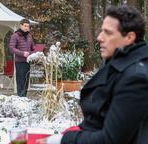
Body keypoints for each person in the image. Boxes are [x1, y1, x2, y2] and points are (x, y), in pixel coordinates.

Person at [38, 5, 148, 144]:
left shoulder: (136, 77)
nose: (99, 37)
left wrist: (62, 140)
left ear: (129, 37)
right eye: (101, 31)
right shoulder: (120, 63)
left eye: (108, 33)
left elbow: (110, 140)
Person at [10, 18, 35, 97]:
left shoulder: (29, 36)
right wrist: (22, 53)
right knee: (20, 80)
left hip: (27, 61)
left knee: (26, 80)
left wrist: (37, 50)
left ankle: (24, 96)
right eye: (25, 26)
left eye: (28, 26)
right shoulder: (15, 35)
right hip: (19, 62)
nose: (27, 28)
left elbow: (32, 47)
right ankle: (20, 97)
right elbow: (12, 48)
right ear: (21, 25)